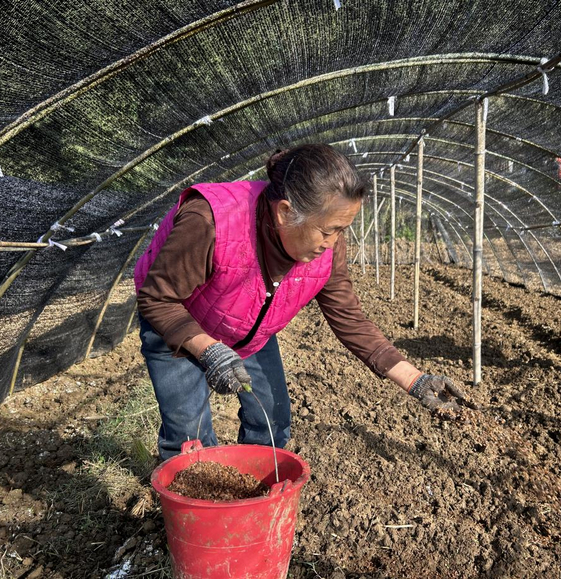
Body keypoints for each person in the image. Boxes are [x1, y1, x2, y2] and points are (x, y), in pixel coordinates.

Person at [134, 144, 467, 460]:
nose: (333, 242)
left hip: (248, 328)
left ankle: (255, 496)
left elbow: (350, 319)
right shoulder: (211, 220)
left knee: (273, 421)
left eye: (342, 230)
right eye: (328, 230)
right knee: (190, 440)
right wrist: (208, 349)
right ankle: (195, 509)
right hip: (177, 323)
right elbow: (158, 299)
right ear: (285, 212)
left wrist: (415, 380)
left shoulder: (328, 246)